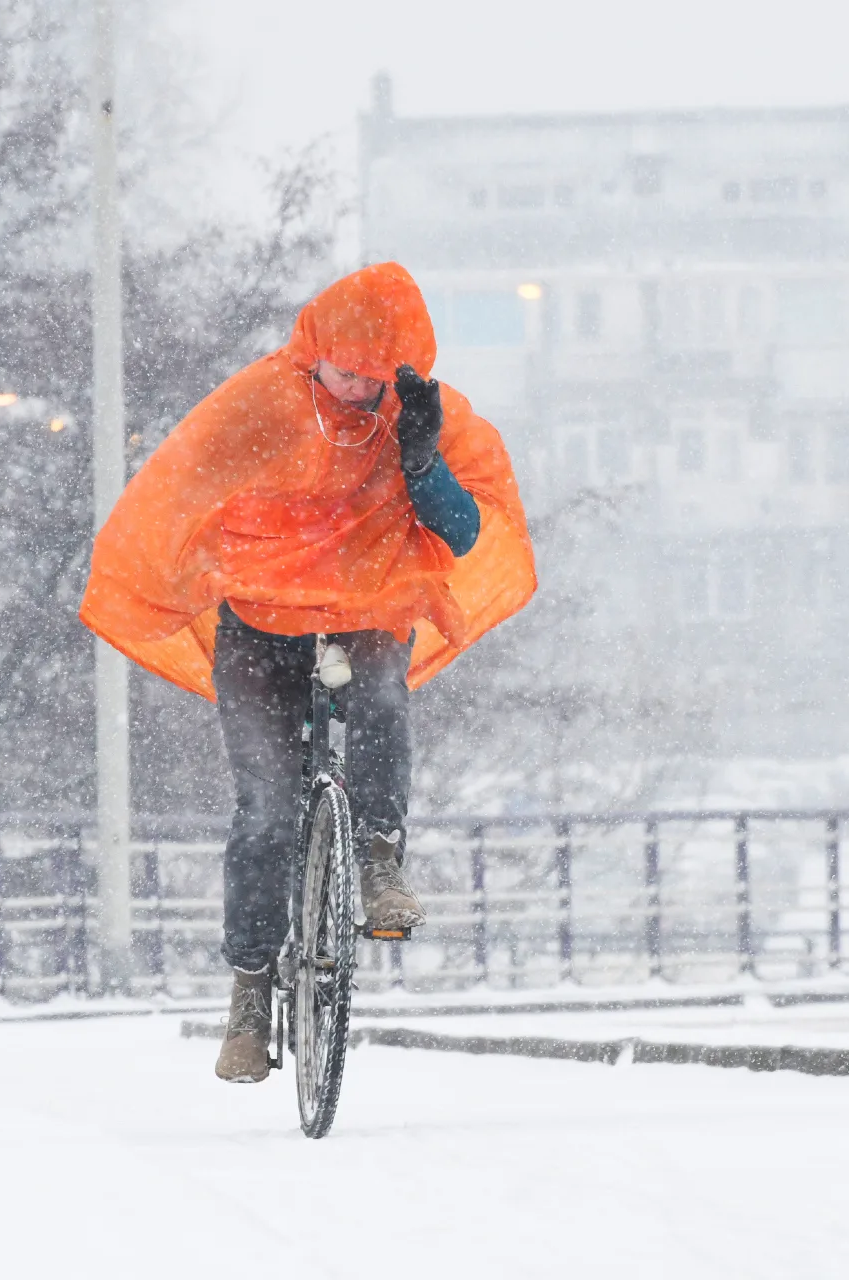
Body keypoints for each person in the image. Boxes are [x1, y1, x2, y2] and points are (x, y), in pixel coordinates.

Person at [80, 262, 535, 1082]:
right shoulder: (261, 404)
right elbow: (181, 496)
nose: (357, 387)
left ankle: (379, 860)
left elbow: (466, 532)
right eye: (344, 370)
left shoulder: (421, 414)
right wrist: (191, 574)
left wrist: (422, 461)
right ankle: (251, 993)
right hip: (258, 629)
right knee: (265, 808)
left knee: (383, 699)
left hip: (367, 616)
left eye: (373, 373)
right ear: (313, 351)